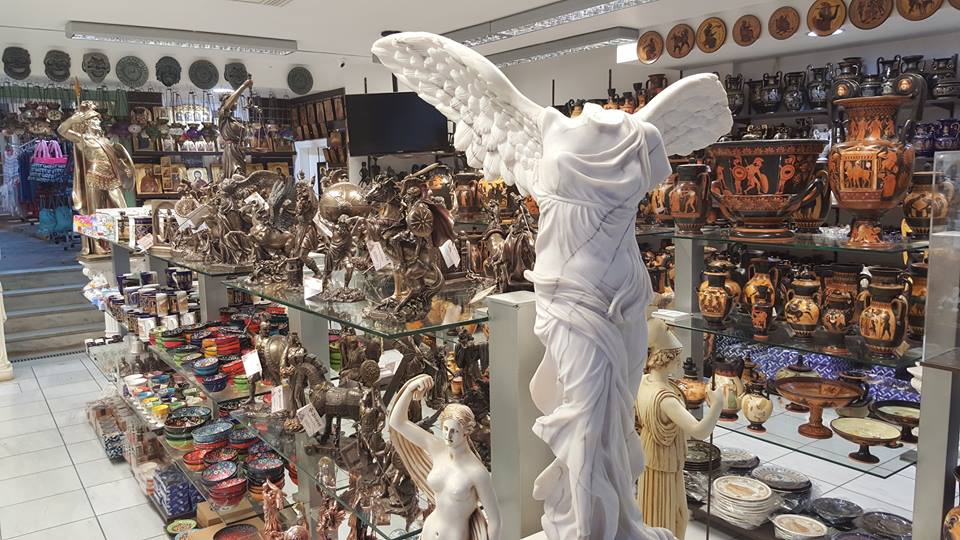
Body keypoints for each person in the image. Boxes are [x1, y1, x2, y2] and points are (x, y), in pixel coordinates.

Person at [389, 374, 501, 540]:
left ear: (466, 432)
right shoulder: (437, 448)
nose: (448, 436)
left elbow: (494, 520)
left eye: (454, 431)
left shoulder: (477, 472)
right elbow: (397, 422)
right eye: (445, 429)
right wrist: (411, 387)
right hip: (428, 530)